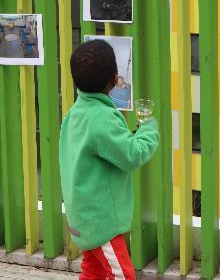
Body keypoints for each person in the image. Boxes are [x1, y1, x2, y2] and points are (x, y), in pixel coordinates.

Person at [59, 40, 159, 279]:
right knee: (122, 275)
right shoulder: (101, 118)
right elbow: (132, 156)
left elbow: (106, 149)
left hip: (82, 215)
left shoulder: (75, 113)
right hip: (101, 222)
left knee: (93, 271)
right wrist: (148, 129)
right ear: (115, 80)